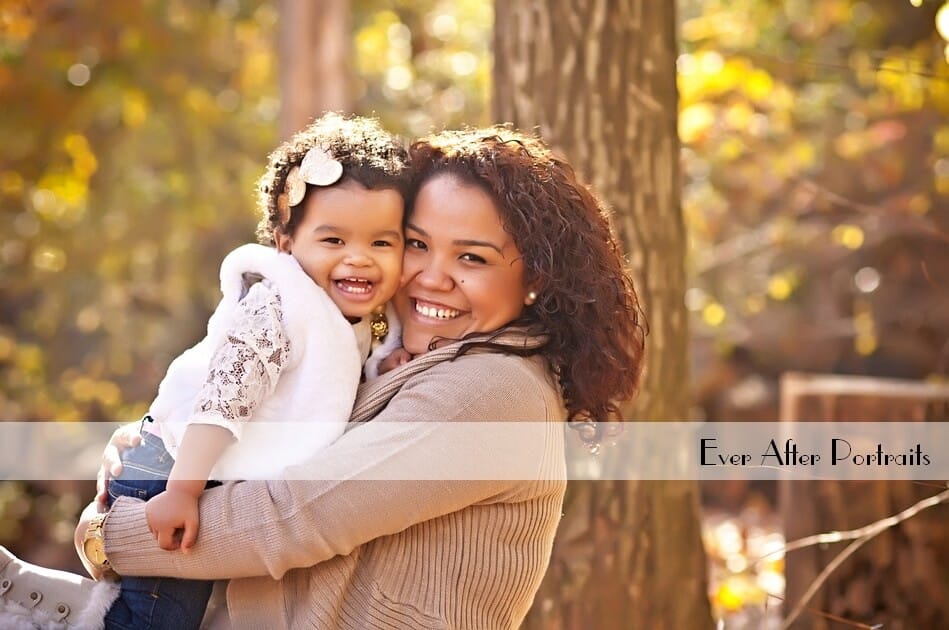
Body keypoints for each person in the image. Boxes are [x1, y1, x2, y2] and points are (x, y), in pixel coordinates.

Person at [2, 125, 645, 630]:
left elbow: (291, 518)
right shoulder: (393, 358)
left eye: (471, 257)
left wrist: (108, 530)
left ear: (534, 279)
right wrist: (158, 448)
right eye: (416, 244)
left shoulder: (490, 393)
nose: (429, 277)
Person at [0, 112, 409, 630]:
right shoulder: (278, 306)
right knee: (158, 619)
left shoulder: (356, 318)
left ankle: (35, 596)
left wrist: (388, 362)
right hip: (173, 467)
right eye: (334, 241)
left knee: (151, 614)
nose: (360, 259)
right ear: (285, 244)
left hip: (195, 474)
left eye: (381, 243)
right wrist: (184, 490)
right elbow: (223, 399)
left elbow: (346, 370)